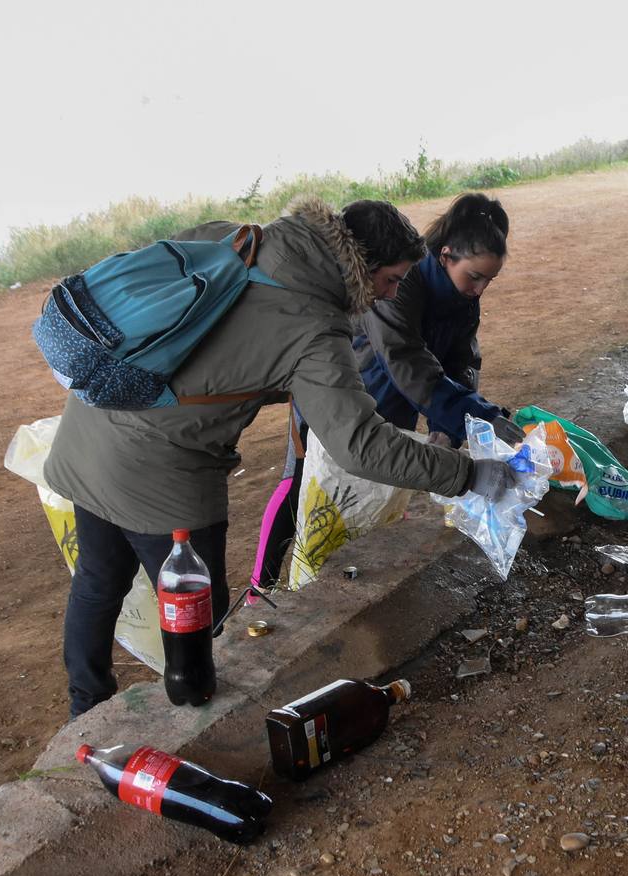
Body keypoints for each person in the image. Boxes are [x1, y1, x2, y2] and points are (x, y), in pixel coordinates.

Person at [44, 198, 519, 717]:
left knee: (98, 578)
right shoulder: (316, 326)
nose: (392, 293)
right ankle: (196, 718)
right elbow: (359, 444)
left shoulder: (239, 237)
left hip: (94, 417)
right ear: (362, 266)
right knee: (199, 617)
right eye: (391, 280)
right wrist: (467, 474)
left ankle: (84, 711)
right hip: (164, 468)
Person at [250, 193, 524, 590]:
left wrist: (454, 423)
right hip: (339, 393)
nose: (480, 289)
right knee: (300, 486)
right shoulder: (401, 281)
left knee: (379, 485)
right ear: (446, 256)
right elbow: (406, 359)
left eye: (488, 280)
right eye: (475, 276)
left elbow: (461, 360)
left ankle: (347, 587)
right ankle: (262, 585)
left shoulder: (462, 299)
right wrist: (476, 418)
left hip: (397, 404)